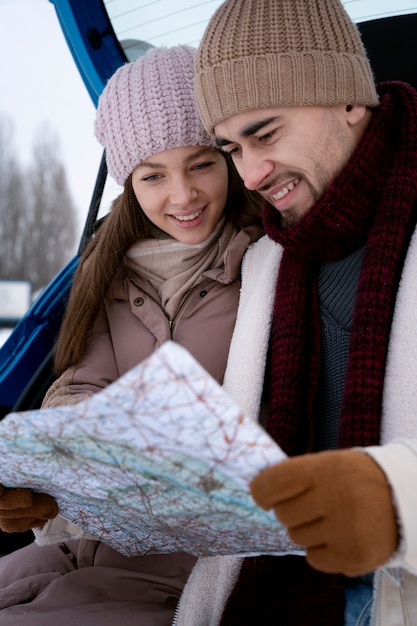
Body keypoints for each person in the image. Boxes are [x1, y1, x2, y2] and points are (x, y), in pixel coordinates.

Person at [170, 1, 417, 625]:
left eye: (265, 133)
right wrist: (69, 498)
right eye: (230, 148)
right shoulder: (267, 262)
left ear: (348, 100)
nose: (249, 174)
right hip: (274, 587)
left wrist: (393, 498)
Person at [0, 44, 263, 625]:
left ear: (230, 160)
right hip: (84, 535)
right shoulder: (111, 268)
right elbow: (81, 383)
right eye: (153, 175)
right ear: (128, 182)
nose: (183, 195)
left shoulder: (265, 264)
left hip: (191, 561)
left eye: (201, 163)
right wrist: (49, 464)